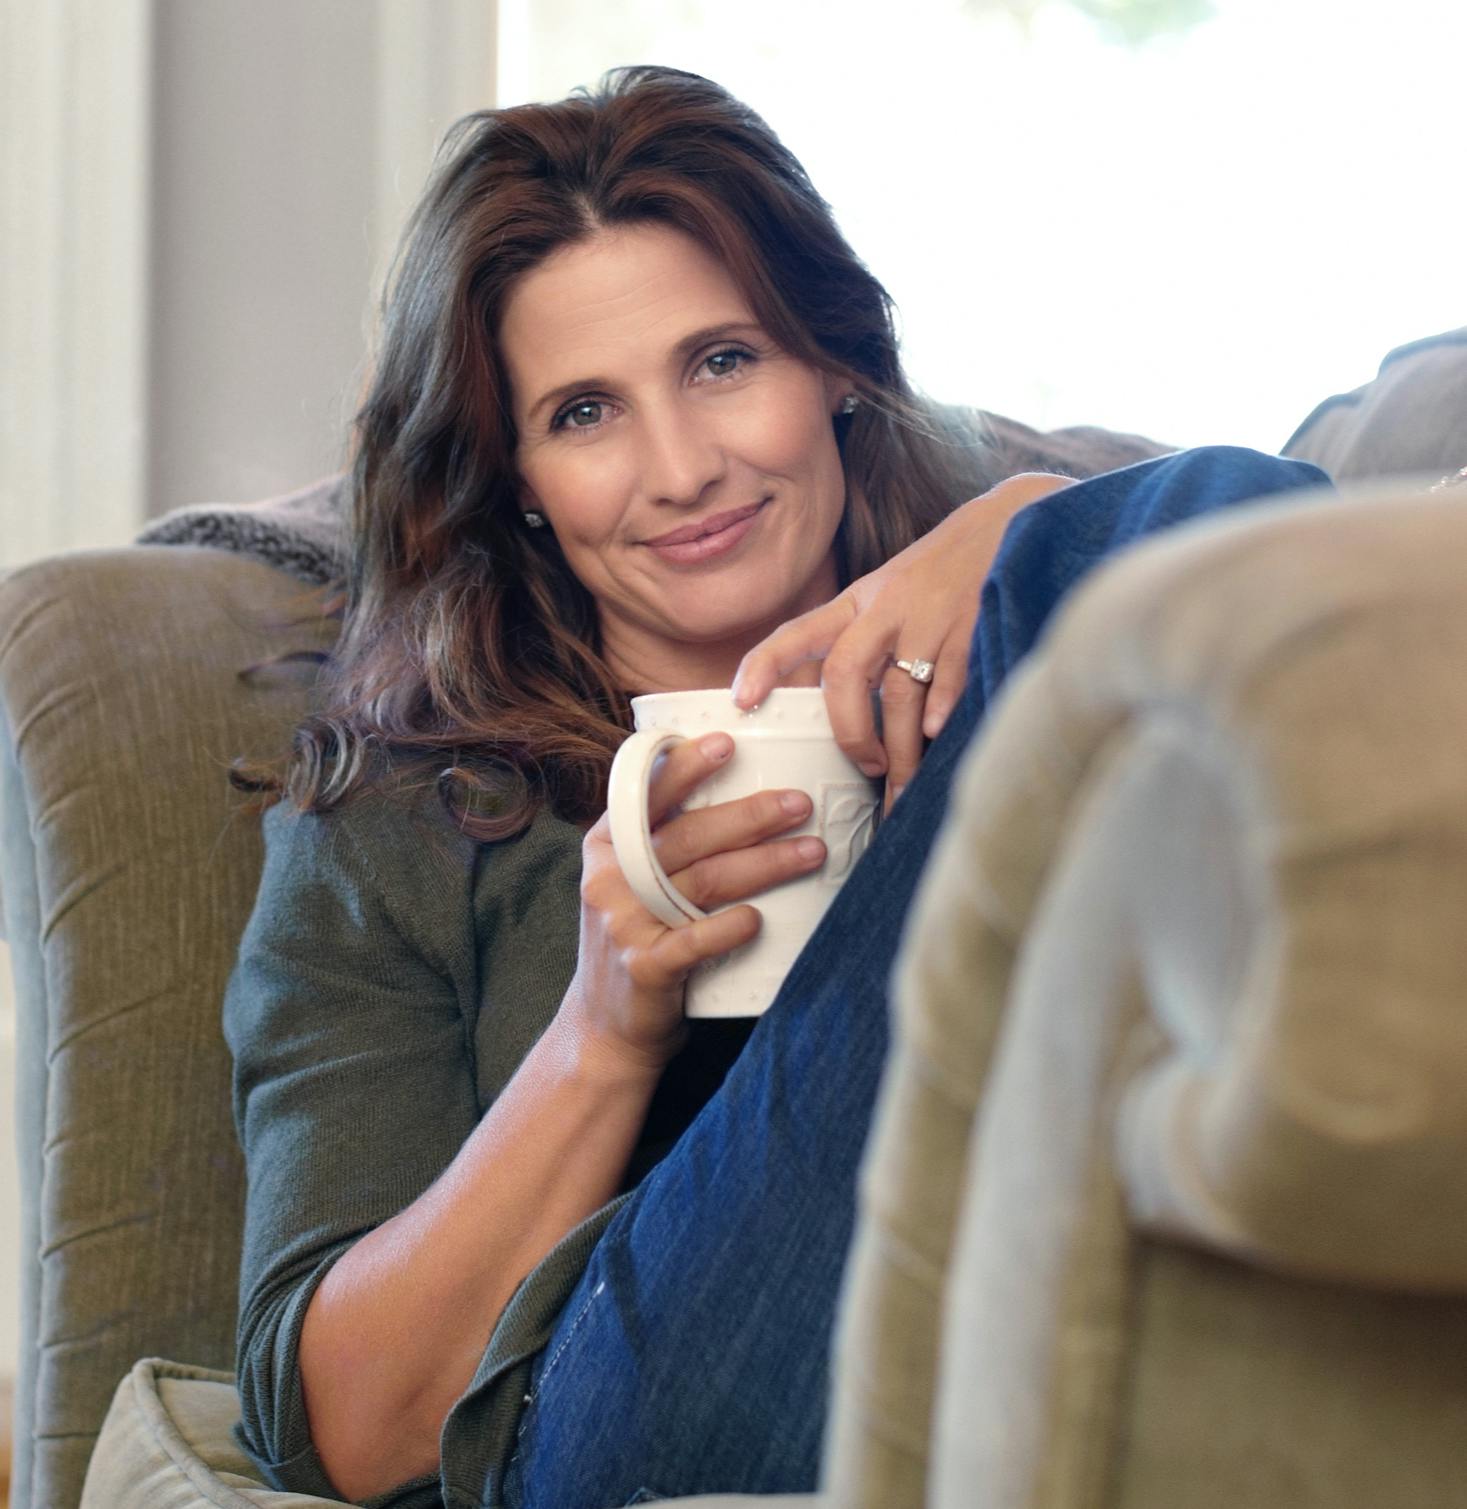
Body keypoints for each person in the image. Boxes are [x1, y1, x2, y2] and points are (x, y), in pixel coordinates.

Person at [223, 65, 1329, 1509]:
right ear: (517, 480)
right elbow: (338, 1430)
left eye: (723, 362)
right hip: (627, 1411)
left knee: (1226, 521)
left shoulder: (1023, 651)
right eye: (585, 412)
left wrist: (1014, 533)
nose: (682, 468)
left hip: (1066, 1327)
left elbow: (1296, 574)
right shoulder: (399, 817)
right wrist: (603, 1031)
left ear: (835, 365)